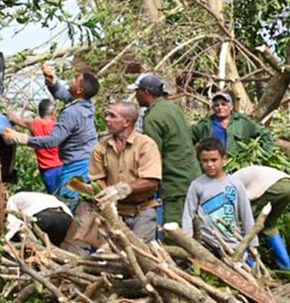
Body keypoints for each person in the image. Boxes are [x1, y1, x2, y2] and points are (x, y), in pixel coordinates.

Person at [2, 65, 98, 207]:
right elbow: (65, 96)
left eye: (75, 80)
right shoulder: (86, 105)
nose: (72, 81)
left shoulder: (72, 113)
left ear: (79, 90)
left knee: (68, 206)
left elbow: (53, 140)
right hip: (85, 161)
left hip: (76, 167)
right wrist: (52, 82)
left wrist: (21, 138)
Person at [131, 73, 199, 225]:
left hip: (175, 183)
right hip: (192, 176)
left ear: (146, 92)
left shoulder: (153, 117)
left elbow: (152, 156)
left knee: (174, 230)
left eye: (137, 92)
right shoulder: (172, 108)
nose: (136, 96)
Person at [89, 103, 162, 242]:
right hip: (115, 211)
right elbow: (98, 178)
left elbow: (152, 181)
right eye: (107, 115)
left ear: (127, 122)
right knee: (114, 254)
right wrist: (106, 195)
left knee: (142, 253)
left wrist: (125, 188)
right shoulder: (101, 147)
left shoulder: (146, 145)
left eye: (112, 116)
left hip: (142, 210)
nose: (107, 119)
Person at [183, 138, 258, 259]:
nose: (209, 164)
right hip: (206, 244)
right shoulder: (197, 185)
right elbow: (188, 215)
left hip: (233, 244)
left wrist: (252, 243)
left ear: (224, 160)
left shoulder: (236, 184)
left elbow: (246, 215)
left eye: (214, 160)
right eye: (205, 161)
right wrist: (188, 241)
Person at [233, 165, 290, 270]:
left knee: (248, 224)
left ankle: (250, 265)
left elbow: (246, 199)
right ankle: (287, 266)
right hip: (287, 185)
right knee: (269, 226)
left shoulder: (228, 185)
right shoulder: (239, 176)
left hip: (272, 186)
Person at [7, 99, 63, 194]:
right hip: (61, 167)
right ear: (52, 112)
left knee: (54, 196)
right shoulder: (57, 127)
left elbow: (16, 120)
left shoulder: (33, 124)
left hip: (46, 170)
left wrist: (7, 113)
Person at [190, 91, 274, 156]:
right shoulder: (205, 124)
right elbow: (187, 137)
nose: (220, 108)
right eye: (217, 105)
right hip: (211, 168)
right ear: (213, 108)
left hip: (236, 169)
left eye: (224, 104)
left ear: (231, 107)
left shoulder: (243, 122)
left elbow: (265, 134)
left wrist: (264, 156)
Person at [5, 191, 73, 246]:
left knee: (16, 238)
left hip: (46, 217)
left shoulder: (13, 198)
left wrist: (6, 239)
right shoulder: (41, 196)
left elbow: (12, 222)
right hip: (66, 219)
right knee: (53, 246)